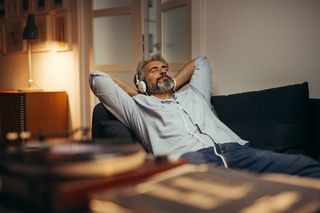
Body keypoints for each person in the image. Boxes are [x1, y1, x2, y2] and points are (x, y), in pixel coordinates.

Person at [90, 55, 320, 179]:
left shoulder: (195, 96)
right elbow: (96, 78)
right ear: (141, 81)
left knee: (308, 168)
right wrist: (142, 93)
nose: (162, 71)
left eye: (165, 68)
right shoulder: (138, 107)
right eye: (154, 70)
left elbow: (201, 61)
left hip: (239, 150)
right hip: (188, 161)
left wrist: (169, 85)